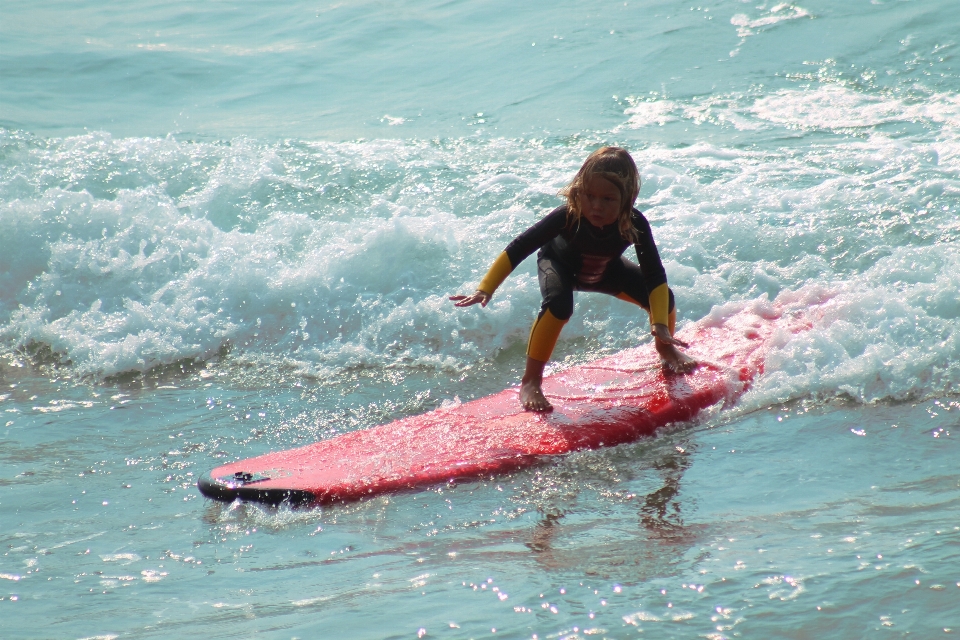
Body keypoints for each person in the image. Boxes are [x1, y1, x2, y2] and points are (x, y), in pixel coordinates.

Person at [451, 146, 696, 412]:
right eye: (589, 196)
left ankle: (666, 350)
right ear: (579, 191)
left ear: (627, 199)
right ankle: (531, 381)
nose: (596, 206)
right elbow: (520, 246)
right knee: (559, 306)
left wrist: (660, 323)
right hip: (559, 266)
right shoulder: (567, 216)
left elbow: (654, 274)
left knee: (663, 297)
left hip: (606, 272)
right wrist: (486, 288)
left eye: (608, 199)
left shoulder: (634, 223)